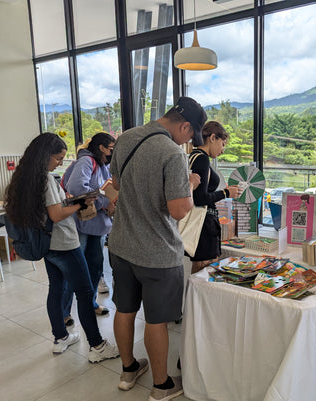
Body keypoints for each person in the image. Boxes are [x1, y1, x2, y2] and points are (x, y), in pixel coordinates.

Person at [108, 97, 203, 398]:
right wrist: (189, 184)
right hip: (157, 253)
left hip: (121, 244)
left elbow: (115, 184)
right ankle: (161, 386)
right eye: (190, 135)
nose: (189, 141)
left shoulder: (126, 138)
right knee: (156, 319)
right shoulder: (171, 153)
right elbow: (178, 210)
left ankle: (128, 370)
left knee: (124, 309)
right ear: (184, 126)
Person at [4, 133, 119, 362]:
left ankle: (60, 338)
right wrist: (78, 204)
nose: (60, 163)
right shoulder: (46, 179)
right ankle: (97, 345)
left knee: (56, 290)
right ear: (45, 156)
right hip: (64, 243)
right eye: (58, 158)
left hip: (47, 244)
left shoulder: (24, 178)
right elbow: (56, 214)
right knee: (86, 293)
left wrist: (68, 202)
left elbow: (49, 209)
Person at [61, 132, 116, 326]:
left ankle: (90, 303)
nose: (112, 152)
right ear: (101, 147)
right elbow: (76, 187)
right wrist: (103, 202)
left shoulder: (104, 166)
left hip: (99, 227)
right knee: (75, 270)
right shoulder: (87, 161)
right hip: (84, 225)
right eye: (111, 148)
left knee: (95, 268)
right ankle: (64, 312)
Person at [189, 121, 239, 274]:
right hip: (204, 224)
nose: (222, 150)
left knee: (200, 270)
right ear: (212, 138)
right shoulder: (202, 159)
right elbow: (201, 198)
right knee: (204, 270)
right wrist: (226, 194)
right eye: (222, 144)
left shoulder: (193, 156)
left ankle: (193, 298)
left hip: (200, 223)